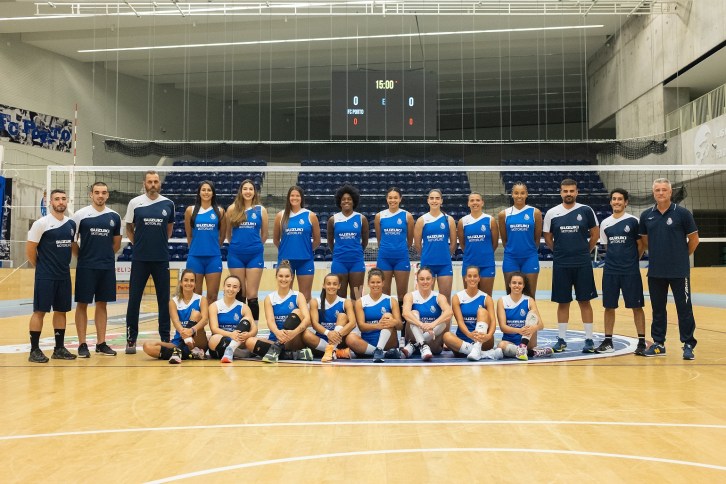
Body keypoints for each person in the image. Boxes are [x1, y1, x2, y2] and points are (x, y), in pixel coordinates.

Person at [640, 178, 699, 360]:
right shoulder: (646, 215)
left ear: (670, 192)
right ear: (653, 193)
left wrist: (680, 256)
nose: (661, 193)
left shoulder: (682, 213)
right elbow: (645, 242)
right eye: (657, 190)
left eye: (664, 190)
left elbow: (694, 240)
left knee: (684, 308)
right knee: (658, 309)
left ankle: (688, 344)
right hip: (656, 271)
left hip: (679, 271)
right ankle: (658, 343)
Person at [543, 178, 599, 353]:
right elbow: (548, 237)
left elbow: (595, 235)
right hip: (561, 263)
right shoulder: (552, 213)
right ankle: (561, 340)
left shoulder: (586, 210)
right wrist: (559, 251)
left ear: (577, 192)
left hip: (582, 263)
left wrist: (584, 251)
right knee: (563, 302)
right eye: (565, 191)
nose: (568, 194)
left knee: (585, 301)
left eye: (571, 191)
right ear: (561, 192)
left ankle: (589, 339)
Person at [124, 170, 175, 354]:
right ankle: (131, 339)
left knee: (164, 300)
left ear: (159, 183)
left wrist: (158, 243)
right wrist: (137, 244)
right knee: (134, 299)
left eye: (155, 181)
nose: (153, 184)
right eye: (150, 182)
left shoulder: (168, 204)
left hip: (161, 259)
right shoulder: (134, 203)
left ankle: (165, 338)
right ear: (144, 183)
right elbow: (129, 227)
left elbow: (169, 229)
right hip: (140, 259)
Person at [26, 189, 77, 363]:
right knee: (40, 311)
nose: (60, 202)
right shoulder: (41, 224)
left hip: (63, 275)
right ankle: (34, 350)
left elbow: (72, 247)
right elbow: (30, 250)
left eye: (63, 199)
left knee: (61, 311)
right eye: (57, 199)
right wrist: (42, 268)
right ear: (50, 202)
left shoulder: (71, 224)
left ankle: (59, 348)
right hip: (46, 275)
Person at [71, 181, 122, 358]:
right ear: (91, 194)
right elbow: (72, 242)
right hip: (86, 267)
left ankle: (101, 343)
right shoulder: (80, 215)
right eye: (97, 192)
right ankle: (82, 344)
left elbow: (116, 244)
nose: (100, 195)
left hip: (106, 267)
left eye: (104, 192)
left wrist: (104, 256)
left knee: (102, 304)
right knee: (82, 304)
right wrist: (84, 257)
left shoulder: (115, 217)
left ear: (108, 195)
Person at [596, 188, 646, 355]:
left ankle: (641, 342)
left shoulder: (633, 221)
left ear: (626, 202)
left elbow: (641, 245)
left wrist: (632, 261)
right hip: (610, 271)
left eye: (620, 199)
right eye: (614, 199)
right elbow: (607, 246)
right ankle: (608, 341)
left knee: (636, 306)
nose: (616, 202)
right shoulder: (605, 223)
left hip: (630, 271)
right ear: (611, 202)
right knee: (609, 306)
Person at [142, 269, 209, 363]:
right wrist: (184, 334)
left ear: (195, 284)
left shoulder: (201, 299)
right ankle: (185, 353)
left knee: (196, 314)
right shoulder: (173, 301)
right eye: (186, 280)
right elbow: (176, 322)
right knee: (147, 346)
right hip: (179, 340)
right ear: (181, 283)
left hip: (197, 340)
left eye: (192, 280)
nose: (189, 283)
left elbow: (205, 319)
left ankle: (180, 351)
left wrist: (191, 330)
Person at [207, 275, 278, 363]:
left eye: (235, 287)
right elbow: (214, 329)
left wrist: (248, 335)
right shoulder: (214, 306)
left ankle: (231, 350)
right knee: (214, 339)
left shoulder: (243, 307)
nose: (231, 289)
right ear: (224, 287)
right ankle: (242, 354)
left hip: (239, 343)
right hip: (221, 343)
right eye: (228, 286)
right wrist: (231, 334)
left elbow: (254, 329)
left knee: (247, 322)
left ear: (239, 289)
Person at [226, 179, 268, 321]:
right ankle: (239, 326)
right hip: (236, 255)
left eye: (251, 189)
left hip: (254, 256)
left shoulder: (261, 210)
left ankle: (253, 327)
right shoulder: (232, 209)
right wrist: (238, 245)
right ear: (241, 191)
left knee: (252, 294)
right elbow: (228, 234)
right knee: (240, 293)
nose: (248, 191)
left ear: (254, 192)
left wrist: (254, 246)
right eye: (245, 189)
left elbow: (264, 235)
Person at [443, 266, 502, 361]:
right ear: (465, 278)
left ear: (479, 278)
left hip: (483, 340)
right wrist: (469, 334)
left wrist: (488, 336)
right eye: (469, 276)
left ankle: (477, 348)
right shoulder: (457, 297)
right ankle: (484, 354)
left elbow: (493, 322)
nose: (472, 279)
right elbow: (460, 321)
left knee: (482, 311)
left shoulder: (486, 298)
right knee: (446, 336)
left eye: (475, 276)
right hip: (464, 340)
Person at [273, 186, 320, 302]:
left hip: (305, 260)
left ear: (301, 198)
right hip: (285, 261)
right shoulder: (280, 215)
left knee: (305, 296)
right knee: (285, 295)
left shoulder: (310, 215)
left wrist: (306, 250)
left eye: (297, 195)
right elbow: (276, 240)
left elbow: (317, 240)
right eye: (292, 195)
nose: (295, 198)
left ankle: (305, 314)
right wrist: (286, 250)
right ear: (288, 198)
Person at [345, 268, 403, 362]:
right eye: (372, 282)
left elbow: (400, 326)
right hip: (368, 342)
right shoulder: (360, 302)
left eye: (378, 282)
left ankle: (380, 349)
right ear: (368, 283)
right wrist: (378, 326)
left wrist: (394, 322)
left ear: (383, 283)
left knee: (387, 316)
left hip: (388, 342)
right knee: (350, 339)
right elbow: (361, 326)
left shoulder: (391, 300)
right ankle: (382, 353)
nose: (375, 285)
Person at [498, 181, 543, 297]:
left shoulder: (535, 213)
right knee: (511, 295)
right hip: (511, 258)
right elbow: (504, 239)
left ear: (526, 194)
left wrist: (529, 249)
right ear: (512, 194)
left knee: (530, 296)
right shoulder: (504, 214)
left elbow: (537, 238)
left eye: (522, 193)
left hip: (530, 258)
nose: (519, 196)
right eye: (516, 193)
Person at [185, 180, 225, 307]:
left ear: (213, 193)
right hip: (195, 258)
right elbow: (189, 235)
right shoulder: (190, 210)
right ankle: (197, 321)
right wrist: (197, 248)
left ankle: (210, 320)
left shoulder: (220, 211)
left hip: (213, 258)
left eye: (209, 190)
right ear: (199, 192)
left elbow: (222, 236)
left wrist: (212, 247)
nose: (206, 192)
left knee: (212, 296)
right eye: (203, 190)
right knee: (195, 295)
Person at [263, 261, 314, 360]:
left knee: (297, 312)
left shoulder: (298, 296)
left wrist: (293, 333)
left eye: (287, 276)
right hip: (276, 337)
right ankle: (292, 354)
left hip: (293, 339)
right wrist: (277, 332)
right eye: (281, 276)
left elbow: (307, 319)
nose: (283, 279)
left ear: (291, 277)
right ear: (276, 277)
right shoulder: (269, 298)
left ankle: (277, 348)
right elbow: (270, 321)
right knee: (250, 342)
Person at [401, 267, 454, 361]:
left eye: (428, 279)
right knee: (413, 313)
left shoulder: (439, 297)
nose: (425, 282)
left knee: (444, 322)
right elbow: (405, 313)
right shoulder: (410, 296)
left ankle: (415, 345)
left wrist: (432, 324)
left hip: (433, 341)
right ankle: (423, 345)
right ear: (417, 280)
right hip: (413, 336)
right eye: (422, 279)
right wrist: (421, 325)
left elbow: (449, 312)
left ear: (432, 280)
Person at [497, 272, 553, 361]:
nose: (517, 285)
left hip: (528, 340)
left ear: (523, 285)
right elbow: (503, 327)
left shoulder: (529, 300)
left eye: (520, 283)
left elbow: (541, 325)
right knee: (501, 346)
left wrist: (533, 328)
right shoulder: (502, 300)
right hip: (510, 341)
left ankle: (523, 346)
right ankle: (532, 352)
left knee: (533, 313)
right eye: (514, 283)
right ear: (509, 284)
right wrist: (519, 330)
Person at [374, 187, 414, 311]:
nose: (393, 200)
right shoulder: (379, 216)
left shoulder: (407, 216)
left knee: (402, 294)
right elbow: (379, 240)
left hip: (401, 258)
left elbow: (410, 240)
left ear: (400, 199)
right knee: (384, 294)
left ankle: (402, 320)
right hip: (384, 258)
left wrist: (399, 249)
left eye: (395, 197)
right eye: (390, 198)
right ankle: (387, 320)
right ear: (387, 199)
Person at [413, 189, 457, 302]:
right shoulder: (421, 220)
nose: (434, 201)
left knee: (445, 299)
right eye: (432, 198)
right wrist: (426, 255)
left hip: (445, 265)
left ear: (441, 201)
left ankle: (446, 316)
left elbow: (453, 244)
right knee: (425, 298)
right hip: (427, 264)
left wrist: (445, 255)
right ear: (428, 200)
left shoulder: (449, 220)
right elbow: (417, 244)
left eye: (437, 198)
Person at [327, 184, 369, 300]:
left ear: (353, 201)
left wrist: (356, 251)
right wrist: (338, 252)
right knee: (340, 297)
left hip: (357, 262)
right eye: (343, 199)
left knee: (357, 296)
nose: (346, 201)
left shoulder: (361, 218)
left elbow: (365, 241)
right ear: (339, 202)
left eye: (349, 199)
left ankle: (356, 313)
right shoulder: (333, 219)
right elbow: (330, 242)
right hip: (339, 262)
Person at [305, 273, 357, 362]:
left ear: (339, 286)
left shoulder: (345, 302)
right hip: (321, 339)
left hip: (339, 339)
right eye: (328, 284)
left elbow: (353, 323)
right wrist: (328, 333)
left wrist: (337, 335)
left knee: (342, 316)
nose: (331, 286)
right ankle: (336, 352)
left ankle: (331, 349)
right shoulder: (315, 301)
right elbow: (314, 324)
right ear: (324, 285)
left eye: (334, 284)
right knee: (306, 334)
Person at [458, 192, 498, 296]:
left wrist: (486, 253)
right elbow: (463, 244)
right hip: (469, 264)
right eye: (472, 200)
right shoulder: (463, 221)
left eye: (477, 200)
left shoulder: (490, 220)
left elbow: (494, 244)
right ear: (468, 203)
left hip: (487, 264)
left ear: (482, 203)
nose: (475, 203)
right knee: (468, 297)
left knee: (486, 297)